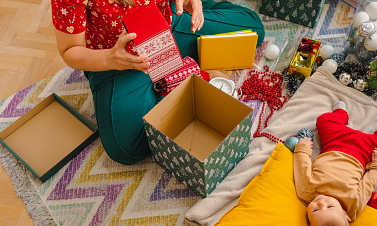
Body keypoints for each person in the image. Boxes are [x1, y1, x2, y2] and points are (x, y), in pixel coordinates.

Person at [51, 0, 265, 165]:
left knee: (253, 31)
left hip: (167, 26)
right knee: (126, 149)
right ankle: (174, 72)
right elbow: (70, 51)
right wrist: (111, 59)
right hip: (118, 61)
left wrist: (194, 2)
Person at [293, 101, 377, 226]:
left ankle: (340, 114)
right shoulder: (353, 206)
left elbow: (301, 168)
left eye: (315, 211)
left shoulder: (306, 193)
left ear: (309, 223)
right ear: (345, 215)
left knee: (323, 120)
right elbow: (368, 184)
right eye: (330, 206)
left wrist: (303, 147)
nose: (321, 203)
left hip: (334, 142)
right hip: (364, 152)